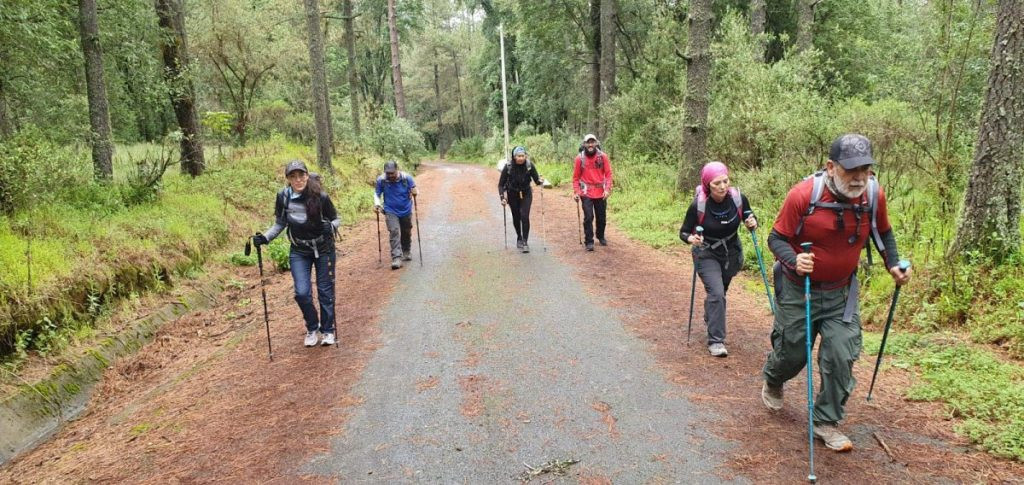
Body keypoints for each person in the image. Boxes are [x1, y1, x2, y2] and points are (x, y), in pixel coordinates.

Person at [760, 134, 911, 452]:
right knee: (792, 354)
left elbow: (882, 232)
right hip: (798, 289)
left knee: (841, 355)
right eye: (851, 170)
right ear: (831, 167)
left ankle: (825, 421)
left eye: (865, 169)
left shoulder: (872, 194)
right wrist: (794, 259)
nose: (859, 178)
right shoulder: (803, 195)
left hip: (842, 292)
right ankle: (774, 377)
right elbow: (776, 238)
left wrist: (893, 264)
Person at [253, 160, 341, 347]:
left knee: (325, 291)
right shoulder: (283, 196)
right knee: (301, 293)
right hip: (299, 250)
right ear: (288, 179)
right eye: (293, 176)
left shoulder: (320, 197)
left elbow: (336, 219)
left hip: (324, 248)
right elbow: (280, 223)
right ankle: (312, 327)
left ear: (307, 176)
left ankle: (327, 331)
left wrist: (330, 227)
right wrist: (265, 238)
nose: (298, 179)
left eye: (301, 175)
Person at [679, 161, 757, 357]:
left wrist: (752, 223)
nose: (723, 186)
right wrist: (691, 239)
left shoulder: (738, 199)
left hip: (731, 253)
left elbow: (750, 217)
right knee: (717, 293)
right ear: (707, 185)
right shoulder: (699, 205)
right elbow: (683, 232)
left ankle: (711, 314)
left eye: (725, 181)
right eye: (717, 183)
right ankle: (716, 341)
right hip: (706, 252)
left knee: (719, 293)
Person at [499, 146, 545, 253]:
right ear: (514, 157)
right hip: (512, 194)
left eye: (522, 156)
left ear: (525, 156)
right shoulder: (508, 167)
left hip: (526, 193)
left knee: (524, 216)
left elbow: (536, 180)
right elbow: (501, 185)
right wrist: (502, 197)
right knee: (516, 216)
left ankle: (525, 241)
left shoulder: (529, 166)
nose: (521, 158)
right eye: (518, 156)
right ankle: (519, 237)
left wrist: (540, 181)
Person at [572, 134, 613, 251]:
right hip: (586, 192)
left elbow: (609, 174)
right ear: (584, 144)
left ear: (596, 143)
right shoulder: (579, 159)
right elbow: (575, 177)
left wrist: (607, 189)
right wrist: (576, 191)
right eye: (588, 142)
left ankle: (600, 236)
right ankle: (589, 241)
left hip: (600, 191)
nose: (590, 145)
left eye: (592, 142)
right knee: (588, 216)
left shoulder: (603, 157)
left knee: (601, 217)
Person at [374, 160, 418, 270]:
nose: (390, 175)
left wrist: (415, 192)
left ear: (397, 170)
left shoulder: (406, 178)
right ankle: (396, 258)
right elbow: (377, 194)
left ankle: (406, 250)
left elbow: (415, 189)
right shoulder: (381, 180)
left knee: (406, 231)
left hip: (406, 210)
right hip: (390, 210)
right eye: (387, 173)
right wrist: (377, 204)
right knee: (394, 231)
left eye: (392, 173)